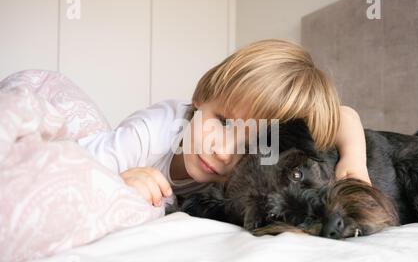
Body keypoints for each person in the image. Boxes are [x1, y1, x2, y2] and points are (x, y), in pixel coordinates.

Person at [77, 39, 371, 208]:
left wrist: (354, 162)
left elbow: (345, 115)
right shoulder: (148, 136)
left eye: (249, 146)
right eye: (224, 122)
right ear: (201, 97)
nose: (223, 151)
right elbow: (65, 171)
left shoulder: (258, 165)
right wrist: (116, 182)